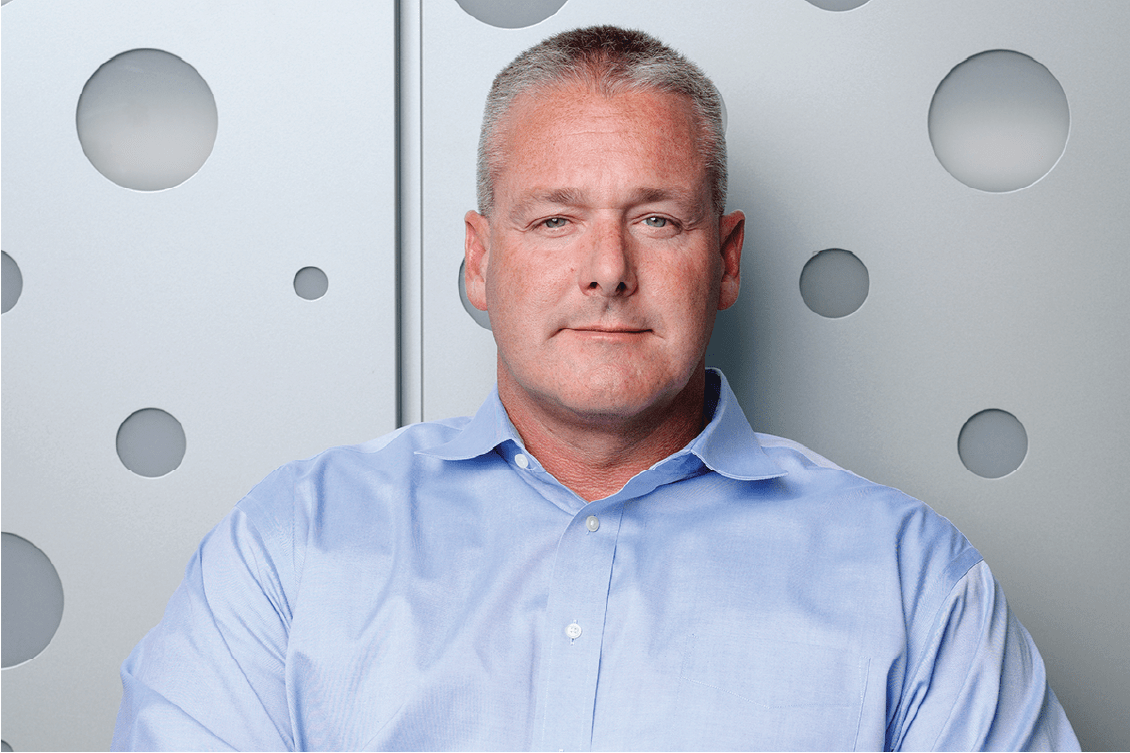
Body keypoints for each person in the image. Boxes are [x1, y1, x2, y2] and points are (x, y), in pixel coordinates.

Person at [112, 25, 1078, 751]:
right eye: (555, 220)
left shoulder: (914, 582)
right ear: (481, 262)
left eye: (656, 219)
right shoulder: (289, 547)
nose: (608, 269)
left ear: (727, 259)